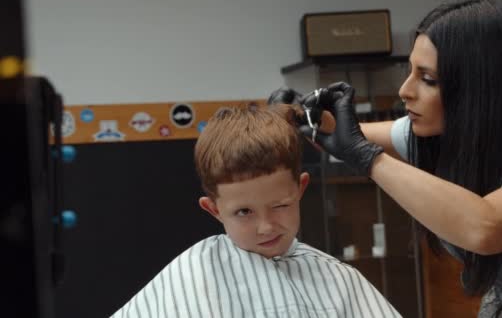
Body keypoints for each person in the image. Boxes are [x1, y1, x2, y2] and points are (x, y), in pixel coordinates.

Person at [270, 0, 502, 317]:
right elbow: (341, 134)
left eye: (428, 79)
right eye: (411, 72)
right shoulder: (453, 137)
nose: (405, 90)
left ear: (481, 91)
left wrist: (365, 157)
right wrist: (302, 113)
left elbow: (485, 228)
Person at [110, 104, 401, 318]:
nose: (266, 226)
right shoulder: (191, 275)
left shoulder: (340, 281)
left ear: (300, 189)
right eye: (244, 212)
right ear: (213, 209)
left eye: (280, 205)